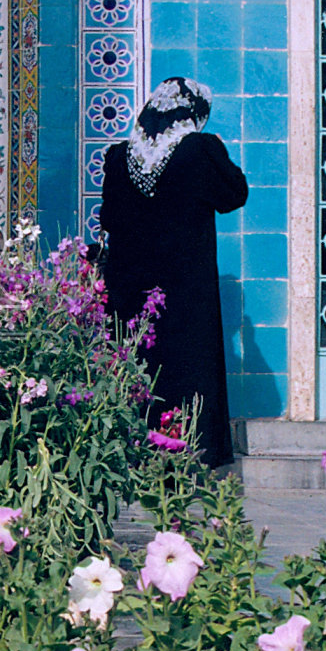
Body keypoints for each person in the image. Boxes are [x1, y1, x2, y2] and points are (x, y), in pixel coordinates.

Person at [99, 77, 248, 470]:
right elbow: (235, 195)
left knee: (137, 363)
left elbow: (109, 219)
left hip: (129, 289)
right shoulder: (200, 150)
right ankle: (191, 450)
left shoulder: (117, 158)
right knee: (188, 365)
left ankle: (132, 450)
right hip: (184, 289)